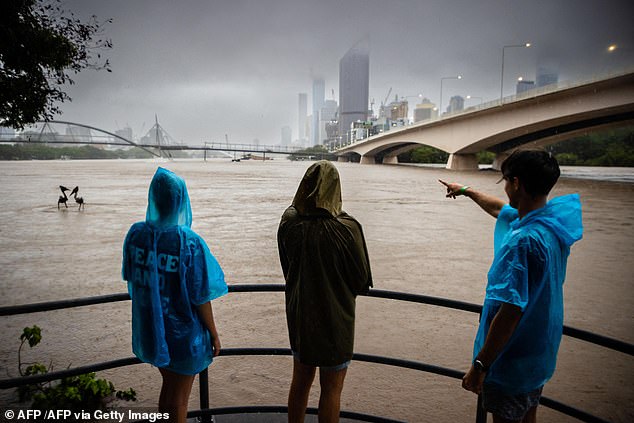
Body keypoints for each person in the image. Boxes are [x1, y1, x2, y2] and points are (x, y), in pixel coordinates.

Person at [439, 149, 583, 423]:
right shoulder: (552, 226)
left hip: (512, 358)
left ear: (516, 183)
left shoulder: (522, 241)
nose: (504, 187)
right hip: (537, 354)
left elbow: (510, 312)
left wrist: (480, 365)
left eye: (506, 181)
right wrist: (467, 190)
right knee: (528, 416)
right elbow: (499, 209)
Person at [122, 167, 227, 423]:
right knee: (179, 398)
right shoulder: (188, 242)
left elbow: (130, 276)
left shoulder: (136, 234)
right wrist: (213, 333)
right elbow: (201, 293)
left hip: (151, 329)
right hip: (183, 334)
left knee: (168, 391)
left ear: (154, 198)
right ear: (181, 201)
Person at [278, 161, 373, 423]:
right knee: (331, 388)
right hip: (336, 318)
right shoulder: (347, 228)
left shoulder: (289, 221)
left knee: (300, 380)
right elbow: (361, 279)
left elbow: (287, 267)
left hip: (300, 315)